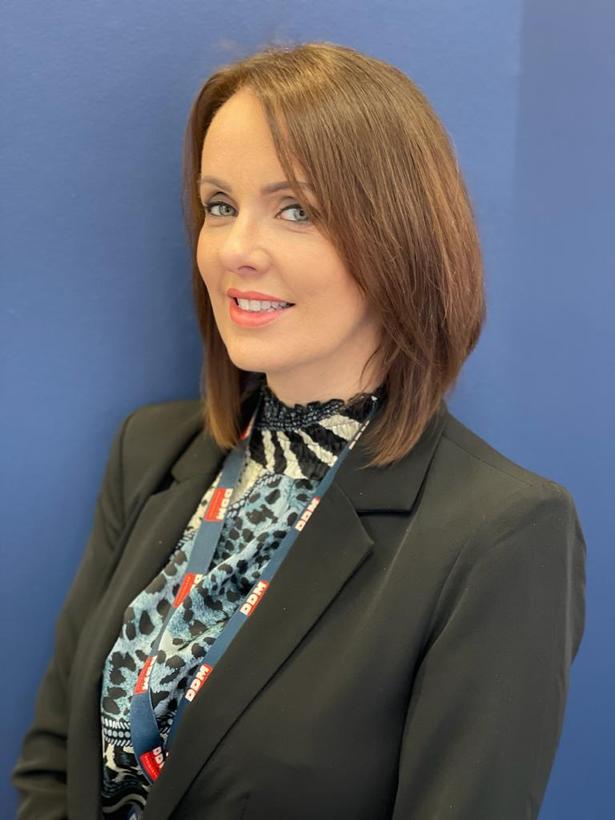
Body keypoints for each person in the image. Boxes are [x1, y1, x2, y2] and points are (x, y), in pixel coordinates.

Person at [12, 41, 586, 820]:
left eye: (296, 211)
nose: (235, 251)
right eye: (219, 205)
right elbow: (56, 762)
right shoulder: (149, 453)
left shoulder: (500, 534)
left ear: (399, 238)